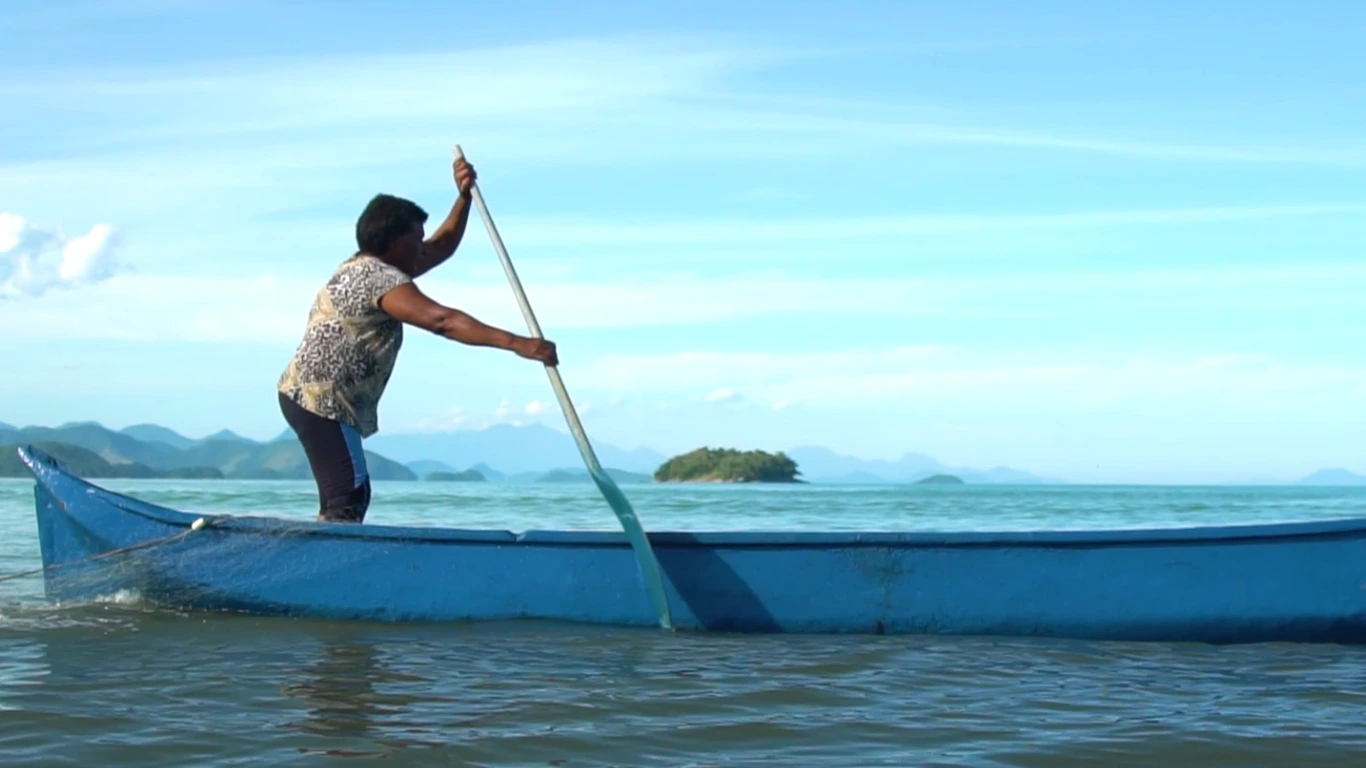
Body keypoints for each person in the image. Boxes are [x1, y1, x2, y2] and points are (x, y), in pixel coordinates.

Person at [277, 157, 558, 523]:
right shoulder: (376, 278)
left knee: (346, 496)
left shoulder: (369, 266)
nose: (421, 247)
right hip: (321, 400)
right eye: (415, 240)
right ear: (393, 242)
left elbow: (440, 247)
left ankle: (322, 554)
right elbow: (443, 321)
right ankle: (321, 566)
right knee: (348, 496)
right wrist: (519, 344)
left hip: (310, 397)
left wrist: (463, 198)